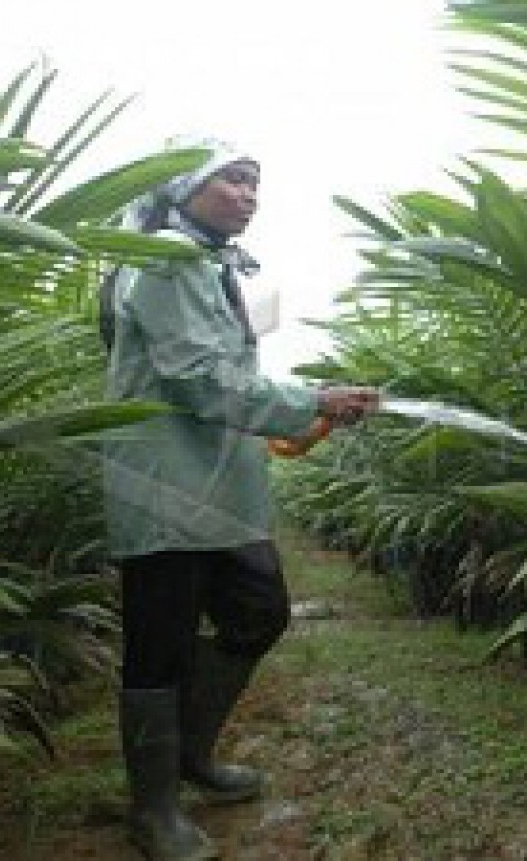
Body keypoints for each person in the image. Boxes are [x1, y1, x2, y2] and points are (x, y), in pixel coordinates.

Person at [100, 139, 379, 861]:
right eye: (234, 179)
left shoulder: (213, 266)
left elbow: (225, 370)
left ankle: (191, 751)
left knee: (259, 610)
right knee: (158, 642)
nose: (250, 194)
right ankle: (153, 807)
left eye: (257, 183)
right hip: (162, 482)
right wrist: (313, 398)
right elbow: (196, 377)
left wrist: (307, 407)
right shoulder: (164, 259)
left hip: (220, 484)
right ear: (185, 187)